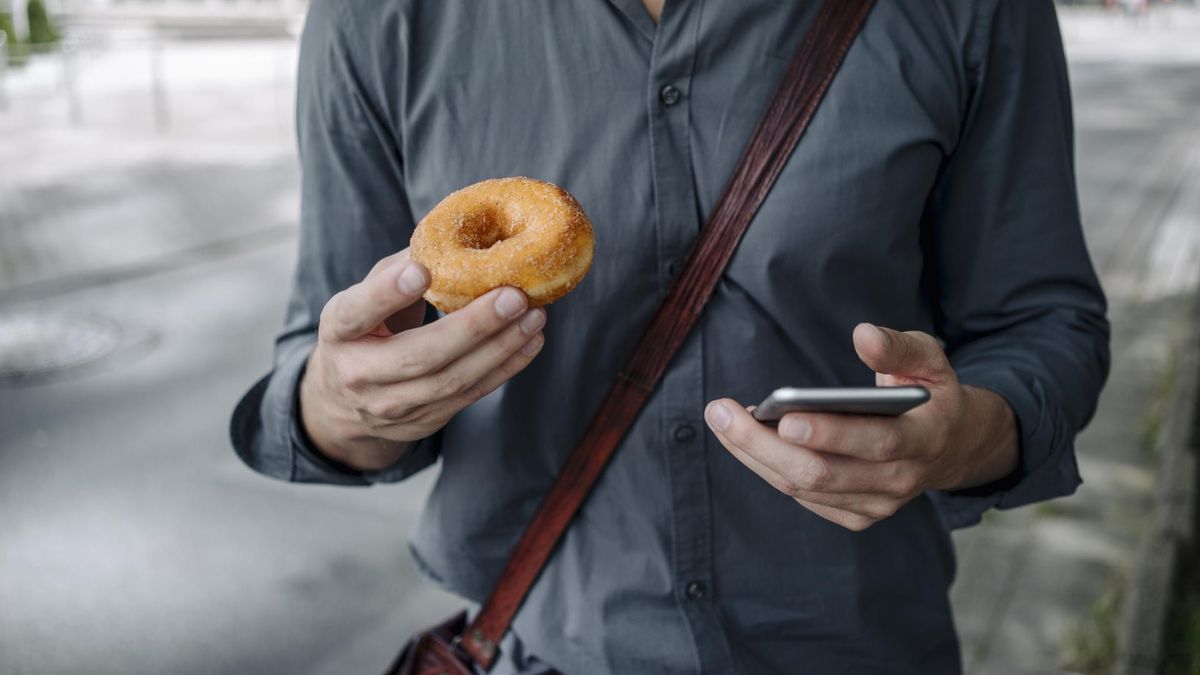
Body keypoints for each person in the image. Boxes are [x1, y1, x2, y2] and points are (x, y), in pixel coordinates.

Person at [230, 1, 1110, 672]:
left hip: (864, 642)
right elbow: (322, 363)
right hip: (549, 645)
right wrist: (348, 403)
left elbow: (1045, 323)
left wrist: (965, 439)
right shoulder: (379, 16)